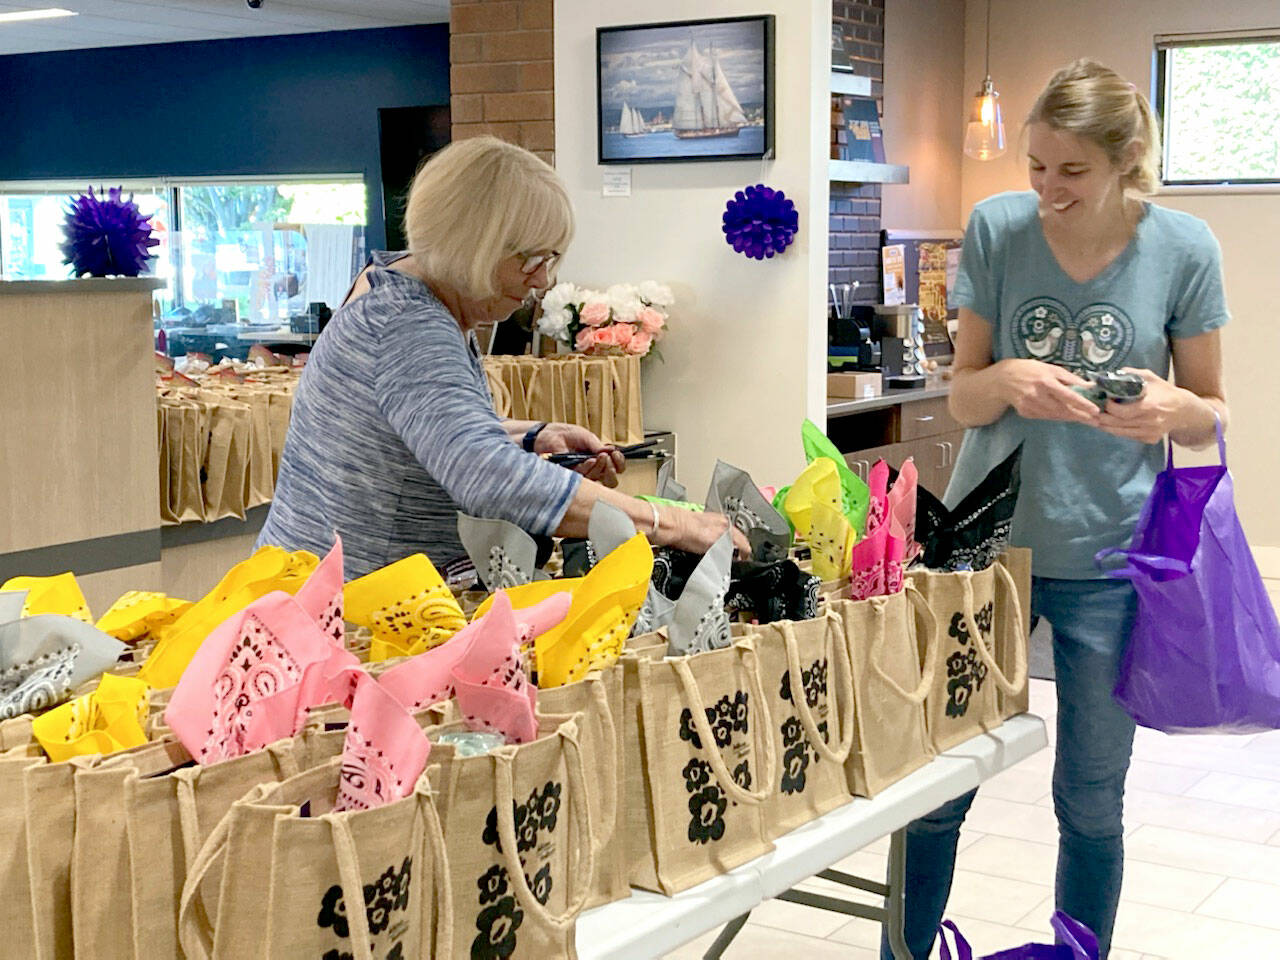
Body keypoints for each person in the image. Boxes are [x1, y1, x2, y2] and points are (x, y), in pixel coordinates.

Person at [883, 60, 1230, 960]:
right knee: (938, 788)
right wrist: (1001, 379)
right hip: (986, 557)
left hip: (1112, 563)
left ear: (1128, 160)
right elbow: (961, 400)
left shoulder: (1185, 248)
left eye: (1070, 171)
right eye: (1035, 165)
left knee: (1090, 798)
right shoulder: (999, 229)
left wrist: (1170, 409)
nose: (1046, 189)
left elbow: (1210, 415)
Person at [258, 136, 746, 579]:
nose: (543, 281)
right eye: (533, 260)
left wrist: (533, 436)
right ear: (475, 247)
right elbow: (486, 476)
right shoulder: (411, 326)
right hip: (346, 617)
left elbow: (419, 427)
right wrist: (673, 524)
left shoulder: (396, 287)